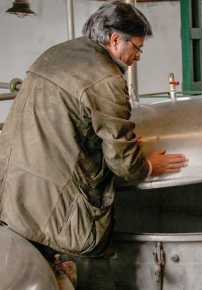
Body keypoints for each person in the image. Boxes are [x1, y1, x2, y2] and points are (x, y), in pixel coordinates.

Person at [0, 1, 188, 289]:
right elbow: (124, 164)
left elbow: (64, 124)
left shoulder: (56, 54)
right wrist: (148, 165)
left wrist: (104, 141)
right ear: (115, 40)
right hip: (60, 214)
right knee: (93, 278)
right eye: (137, 48)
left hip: (15, 196)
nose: (137, 58)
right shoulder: (105, 77)